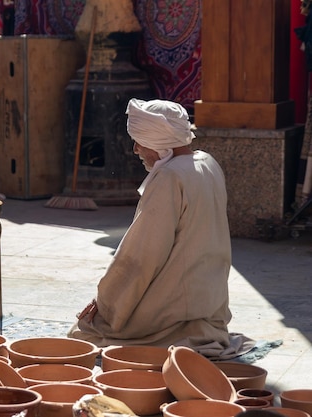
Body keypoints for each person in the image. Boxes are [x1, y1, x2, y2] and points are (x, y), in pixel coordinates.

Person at [68, 98, 254, 359]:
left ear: (157, 142)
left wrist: (105, 302)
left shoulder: (170, 177)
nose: (135, 150)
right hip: (210, 301)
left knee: (85, 332)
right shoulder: (208, 162)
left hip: (178, 303)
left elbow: (141, 256)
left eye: (139, 141)